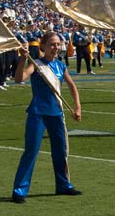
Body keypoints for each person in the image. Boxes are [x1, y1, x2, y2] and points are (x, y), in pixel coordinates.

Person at [11, 32, 83, 203]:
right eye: (52, 44)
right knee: (31, 151)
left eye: (58, 44)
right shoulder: (36, 64)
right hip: (38, 114)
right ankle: (19, 190)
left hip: (57, 114)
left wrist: (78, 107)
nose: (56, 48)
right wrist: (22, 59)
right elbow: (19, 78)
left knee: (61, 152)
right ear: (42, 46)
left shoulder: (60, 66)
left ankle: (63, 185)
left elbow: (72, 86)